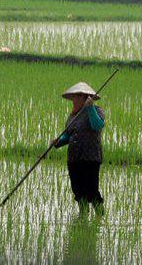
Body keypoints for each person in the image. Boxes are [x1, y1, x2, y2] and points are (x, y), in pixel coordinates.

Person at [51, 82, 106, 215]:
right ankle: (83, 217)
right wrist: (59, 141)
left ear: (86, 97)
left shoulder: (97, 110)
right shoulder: (72, 116)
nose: (74, 100)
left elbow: (97, 126)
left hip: (90, 157)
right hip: (74, 158)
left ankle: (100, 217)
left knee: (91, 190)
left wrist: (90, 108)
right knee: (78, 191)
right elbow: (68, 134)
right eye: (74, 97)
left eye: (77, 97)